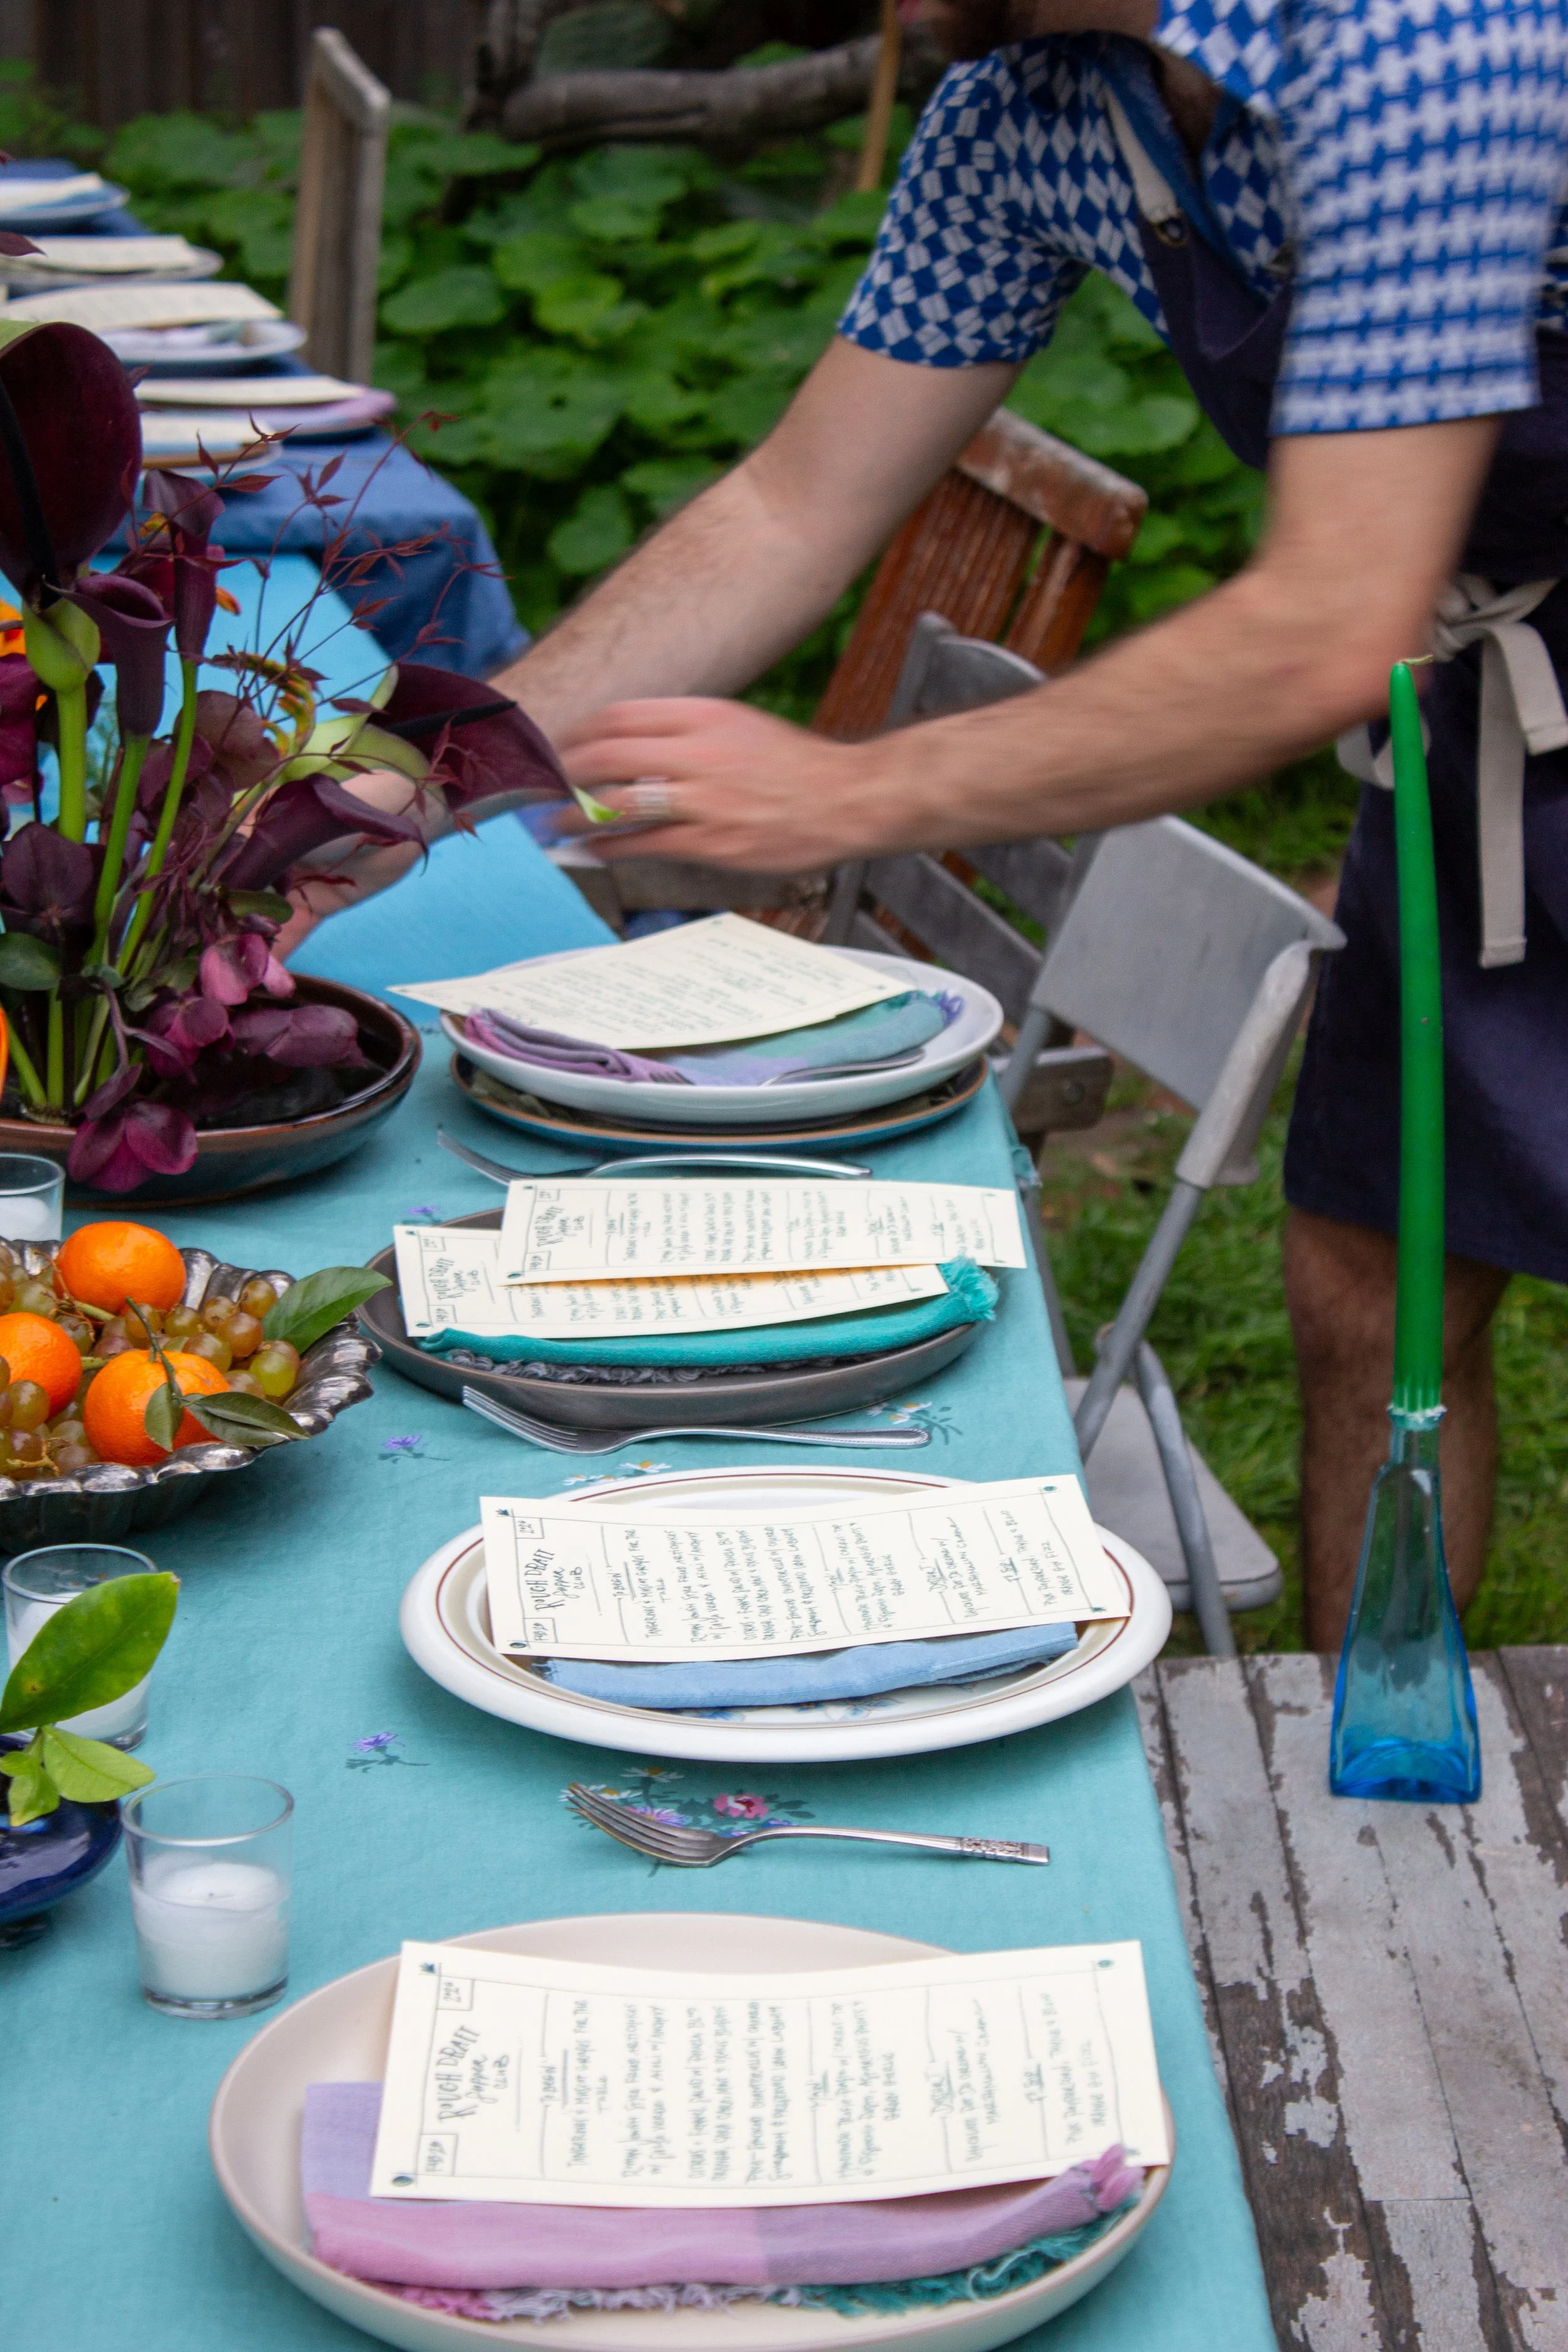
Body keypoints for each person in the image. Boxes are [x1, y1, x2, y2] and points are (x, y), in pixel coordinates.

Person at [322, 0, 1568, 1648]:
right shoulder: (1028, 114)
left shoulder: (1425, 42)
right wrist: (425, 780)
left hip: (1444, 650)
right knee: (1372, 1287)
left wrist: (848, 792)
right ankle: (1377, 1796)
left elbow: (1324, 620)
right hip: (1475, 717)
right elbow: (793, 498)